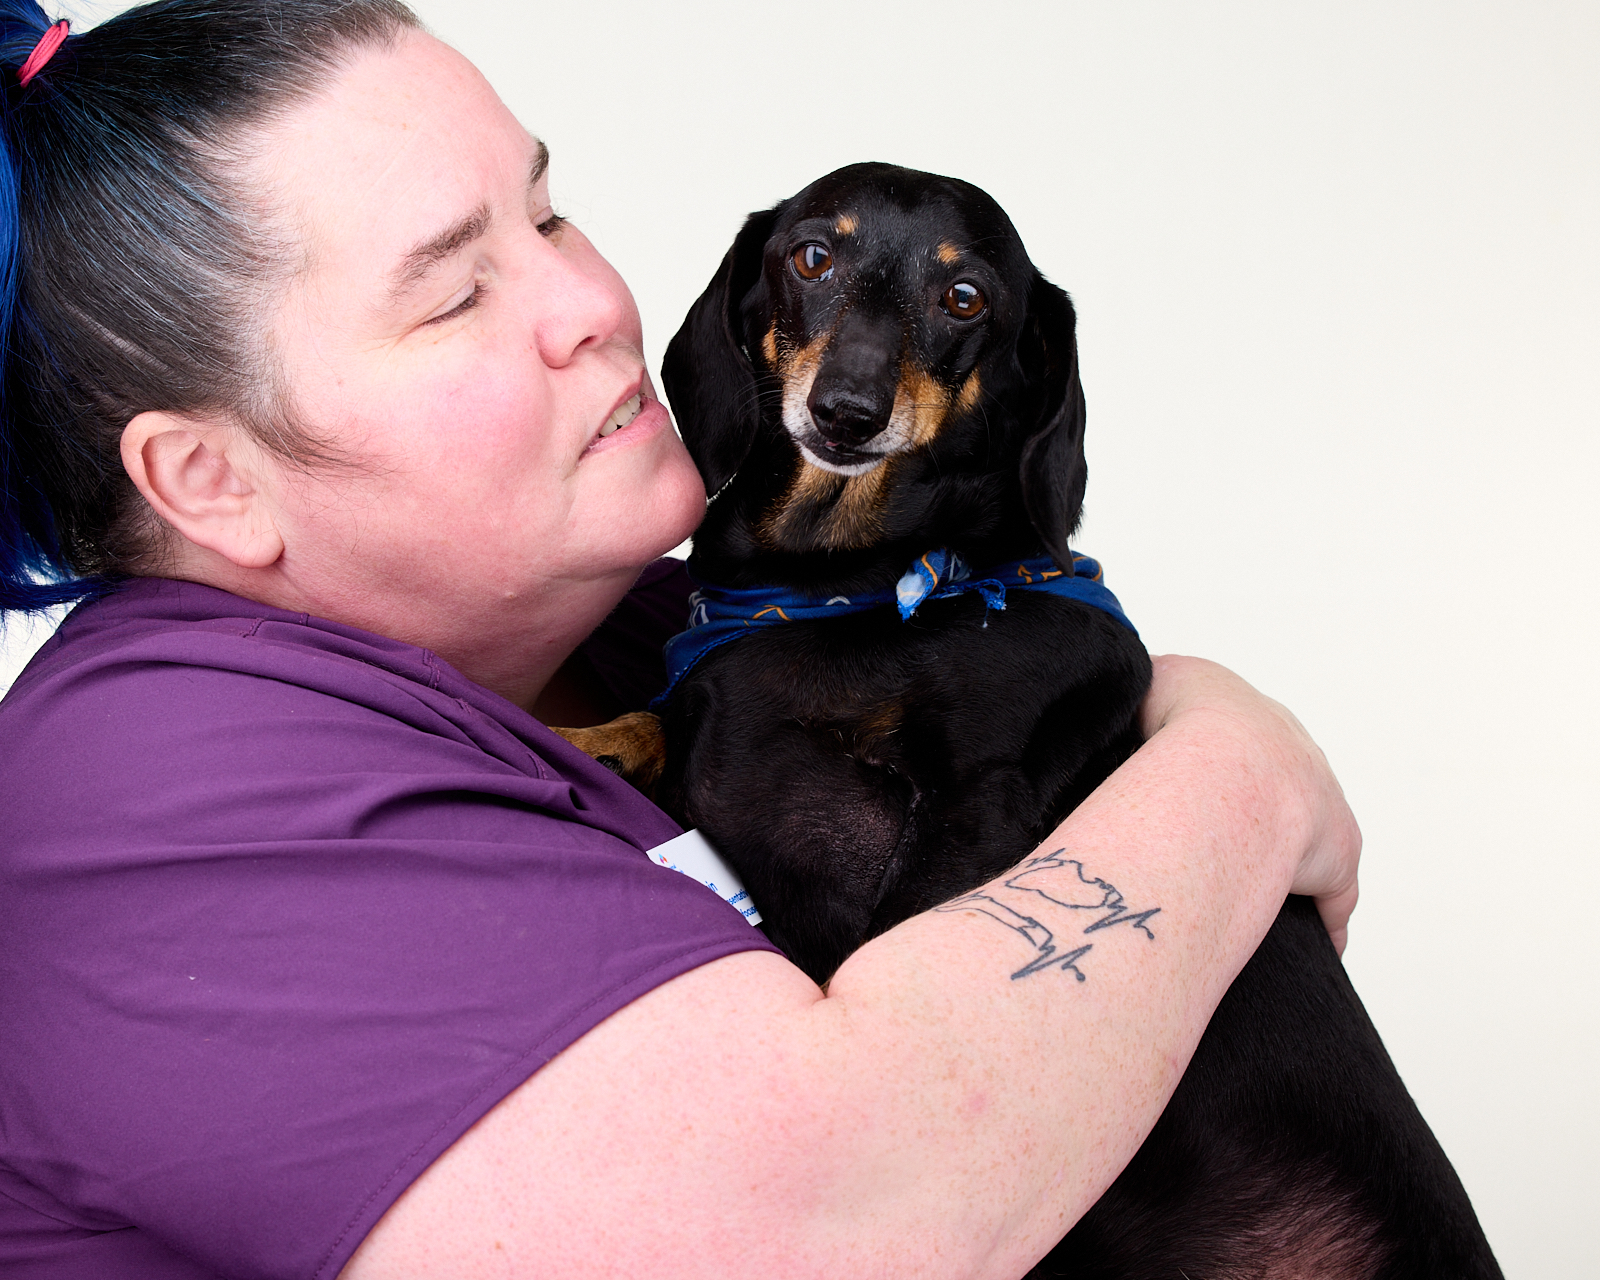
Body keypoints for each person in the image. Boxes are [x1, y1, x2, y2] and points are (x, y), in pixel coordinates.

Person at [0, 2, 1361, 1276]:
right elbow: (854, 1215)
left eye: (547, 212)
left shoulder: (679, 622)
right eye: (454, 292)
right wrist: (1246, 775)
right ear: (210, 481)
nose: (595, 302)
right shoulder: (144, 801)